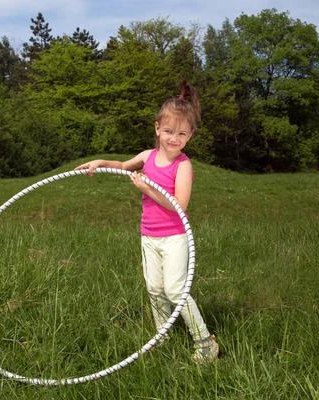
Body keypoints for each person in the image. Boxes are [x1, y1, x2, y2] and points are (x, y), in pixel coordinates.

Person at [75, 80, 219, 363]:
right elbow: (120, 166)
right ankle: (162, 336)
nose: (173, 138)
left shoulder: (184, 166)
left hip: (175, 236)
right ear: (157, 129)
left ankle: (204, 341)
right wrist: (98, 161)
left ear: (190, 135)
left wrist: (147, 189)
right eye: (168, 131)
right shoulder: (147, 156)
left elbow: (179, 205)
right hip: (148, 236)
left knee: (175, 289)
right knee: (154, 289)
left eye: (181, 133)